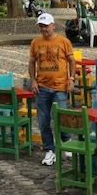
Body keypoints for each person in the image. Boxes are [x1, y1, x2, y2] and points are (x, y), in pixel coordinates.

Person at [28, 13, 76, 166]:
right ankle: (50, 149)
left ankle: (66, 141)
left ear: (53, 26)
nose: (44, 29)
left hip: (60, 87)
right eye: (41, 26)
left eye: (46, 26)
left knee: (61, 118)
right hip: (42, 87)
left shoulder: (64, 42)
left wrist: (71, 78)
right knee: (43, 121)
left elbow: (71, 61)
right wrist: (33, 80)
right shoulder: (36, 43)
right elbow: (32, 62)